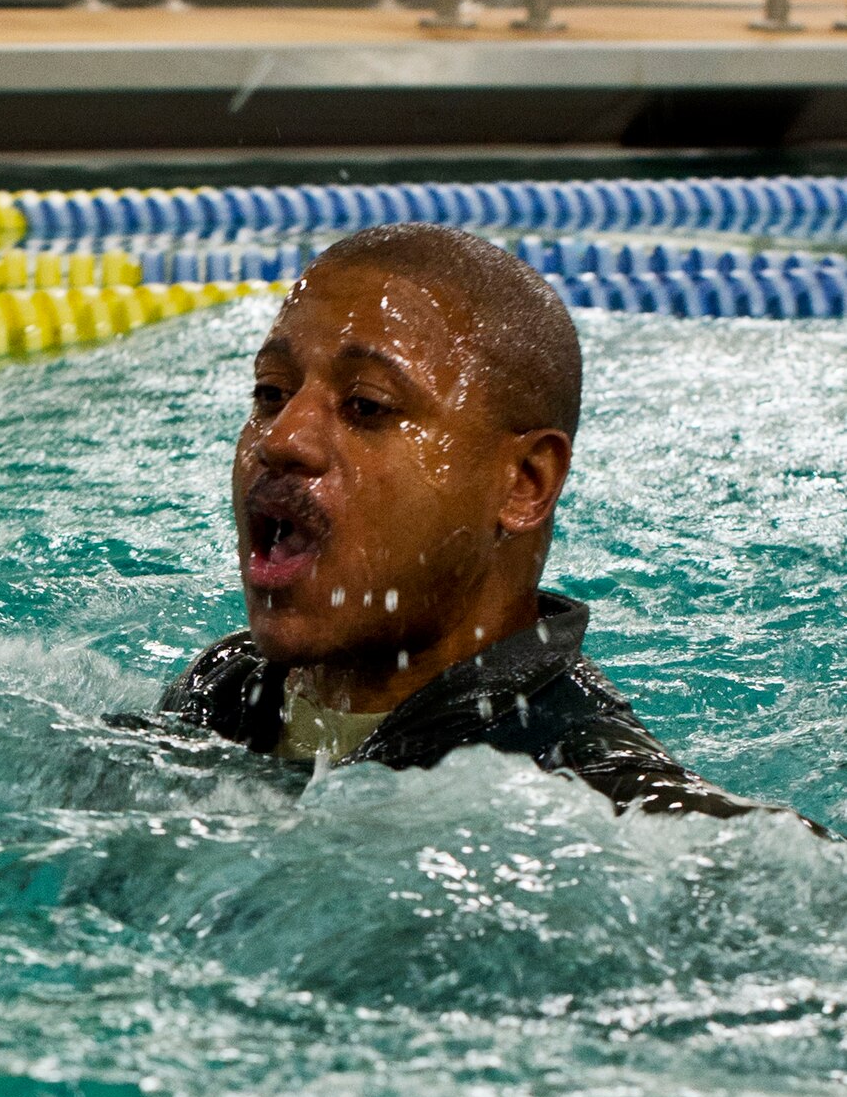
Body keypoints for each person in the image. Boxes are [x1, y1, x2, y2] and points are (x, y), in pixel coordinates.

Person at [160, 223, 816, 829]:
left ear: (523, 483)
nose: (281, 439)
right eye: (271, 393)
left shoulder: (594, 804)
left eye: (366, 406)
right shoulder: (224, 689)